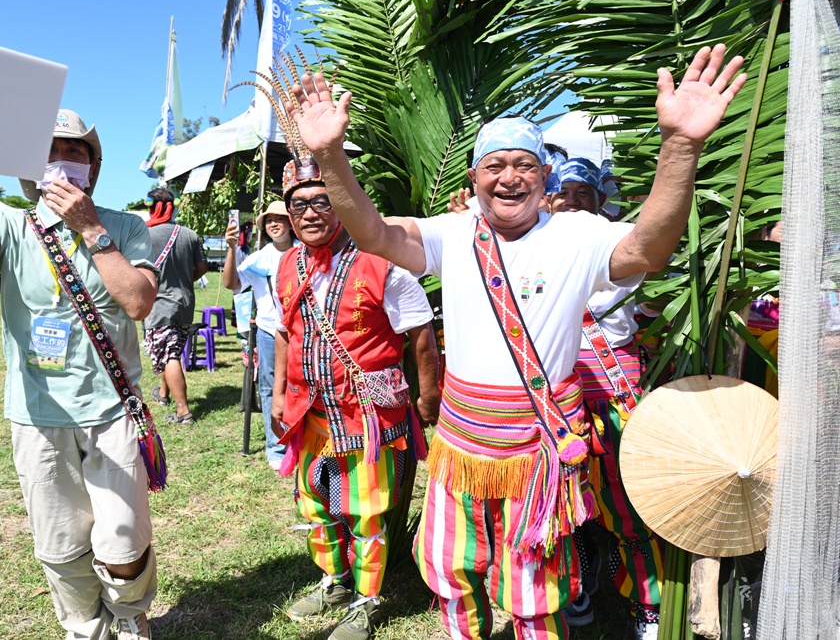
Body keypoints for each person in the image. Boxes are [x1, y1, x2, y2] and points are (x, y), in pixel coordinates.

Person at [283, 45, 745, 640]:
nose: (509, 176)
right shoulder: (453, 233)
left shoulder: (579, 233)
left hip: (538, 453)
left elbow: (649, 251)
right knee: (451, 572)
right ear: (474, 178)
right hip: (461, 446)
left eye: (524, 164)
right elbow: (372, 232)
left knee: (534, 587)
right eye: (494, 164)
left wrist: (681, 147)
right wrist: (328, 157)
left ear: (545, 177)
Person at [0, 109, 161, 640]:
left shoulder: (128, 225)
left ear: (94, 165)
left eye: (75, 152)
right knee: (60, 543)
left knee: (123, 540)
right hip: (37, 415)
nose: (62, 162)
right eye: (49, 151)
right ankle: (84, 626)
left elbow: (137, 301)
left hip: (113, 410)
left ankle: (130, 616)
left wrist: (91, 228)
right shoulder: (6, 225)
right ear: (28, 169)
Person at [271, 156, 441, 640]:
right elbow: (284, 331)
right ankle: (335, 582)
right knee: (316, 505)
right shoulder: (286, 264)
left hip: (368, 417)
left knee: (367, 510)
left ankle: (367, 600)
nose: (308, 213)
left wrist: (429, 397)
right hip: (311, 415)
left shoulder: (382, 261)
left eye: (321, 201)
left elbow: (420, 335)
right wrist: (280, 391)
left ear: (343, 205)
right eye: (298, 204)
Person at [549, 158, 664, 637]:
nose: (573, 202)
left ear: (601, 202)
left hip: (614, 399)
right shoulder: (529, 247)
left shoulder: (625, 243)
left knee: (627, 509)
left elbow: (658, 307)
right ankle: (576, 588)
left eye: (584, 194)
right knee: (562, 508)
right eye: (564, 193)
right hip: (556, 405)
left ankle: (649, 605)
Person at [222, 199, 295, 469]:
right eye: (269, 220)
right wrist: (231, 248)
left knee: (302, 382)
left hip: (302, 330)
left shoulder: (306, 251)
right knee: (269, 385)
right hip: (268, 331)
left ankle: (301, 439)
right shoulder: (259, 258)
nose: (274, 223)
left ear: (291, 222)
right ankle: (276, 447)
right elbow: (233, 284)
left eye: (280, 218)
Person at [142, 187, 207, 425]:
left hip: (158, 304)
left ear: (150, 206)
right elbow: (202, 268)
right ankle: (163, 393)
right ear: (173, 206)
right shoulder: (190, 234)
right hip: (185, 304)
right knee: (172, 349)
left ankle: (183, 411)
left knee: (169, 355)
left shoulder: (143, 234)